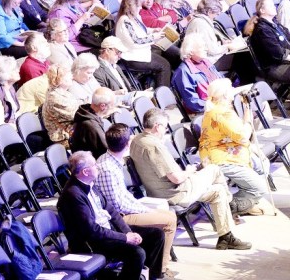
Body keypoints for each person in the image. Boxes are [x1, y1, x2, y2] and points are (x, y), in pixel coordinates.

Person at [130, 108, 251, 250]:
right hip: (175, 193)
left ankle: (225, 237)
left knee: (218, 191)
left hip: (160, 191)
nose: (165, 130)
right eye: (165, 126)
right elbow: (176, 178)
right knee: (214, 169)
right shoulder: (155, 146)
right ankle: (231, 205)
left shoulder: (136, 140)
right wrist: (190, 170)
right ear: (157, 126)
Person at [57, 151, 165, 280]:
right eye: (95, 165)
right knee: (136, 253)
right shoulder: (73, 195)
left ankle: (149, 277)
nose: (98, 167)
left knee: (156, 235)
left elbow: (111, 211)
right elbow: (92, 231)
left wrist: (128, 233)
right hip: (92, 242)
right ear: (85, 172)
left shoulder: (89, 183)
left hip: (106, 231)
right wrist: (125, 238)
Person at [94, 124, 178, 277]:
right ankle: (160, 270)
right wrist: (144, 209)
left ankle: (156, 266)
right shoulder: (107, 168)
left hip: (125, 209)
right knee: (170, 222)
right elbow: (117, 205)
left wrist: (142, 206)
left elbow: (124, 195)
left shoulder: (112, 161)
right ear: (127, 145)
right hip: (118, 217)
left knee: (170, 215)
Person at [198, 78, 273, 216]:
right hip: (221, 157)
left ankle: (249, 203)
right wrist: (249, 124)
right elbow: (243, 135)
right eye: (231, 88)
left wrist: (246, 109)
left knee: (263, 164)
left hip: (231, 149)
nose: (233, 91)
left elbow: (240, 133)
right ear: (226, 94)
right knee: (260, 188)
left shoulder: (221, 108)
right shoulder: (221, 113)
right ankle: (228, 207)